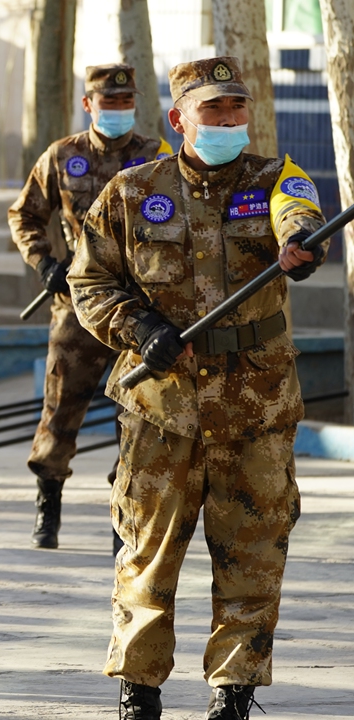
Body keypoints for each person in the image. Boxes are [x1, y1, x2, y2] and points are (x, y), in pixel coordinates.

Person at [69, 56, 326, 719]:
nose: (228, 120)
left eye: (236, 108)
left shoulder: (277, 179)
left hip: (256, 405)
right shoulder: (131, 191)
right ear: (180, 118)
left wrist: (301, 242)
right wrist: (139, 325)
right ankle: (139, 689)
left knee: (254, 550)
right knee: (148, 555)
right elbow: (90, 282)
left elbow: (297, 213)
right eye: (213, 110)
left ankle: (233, 691)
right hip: (163, 407)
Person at [8, 64, 172, 550]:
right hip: (77, 303)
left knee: (138, 412)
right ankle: (48, 502)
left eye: (126, 102)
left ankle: (123, 517)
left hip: (139, 309)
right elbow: (25, 214)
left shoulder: (155, 156)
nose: (119, 110)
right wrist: (43, 264)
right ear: (89, 104)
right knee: (62, 407)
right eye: (109, 102)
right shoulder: (63, 156)